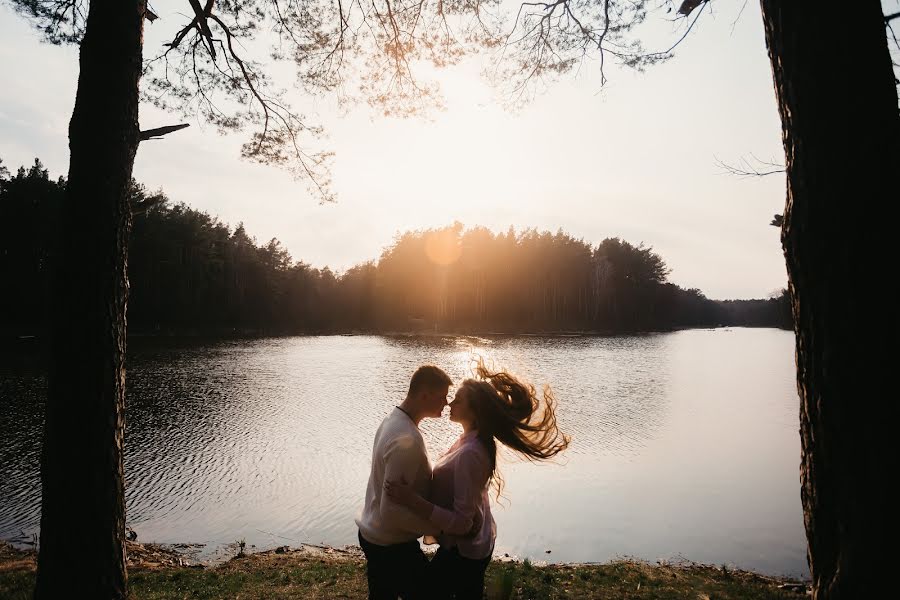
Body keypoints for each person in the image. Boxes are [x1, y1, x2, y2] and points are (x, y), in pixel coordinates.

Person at [385, 362, 570, 600]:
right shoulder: (469, 441)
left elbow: (463, 523)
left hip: (465, 553)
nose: (450, 403)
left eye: (458, 400)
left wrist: (411, 500)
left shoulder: (471, 453)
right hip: (473, 545)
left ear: (475, 411)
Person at [356, 365, 452, 600]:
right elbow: (390, 512)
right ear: (424, 395)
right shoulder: (404, 438)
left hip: (375, 535)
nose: (447, 403)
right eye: (442, 396)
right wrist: (437, 530)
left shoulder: (393, 419)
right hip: (390, 545)